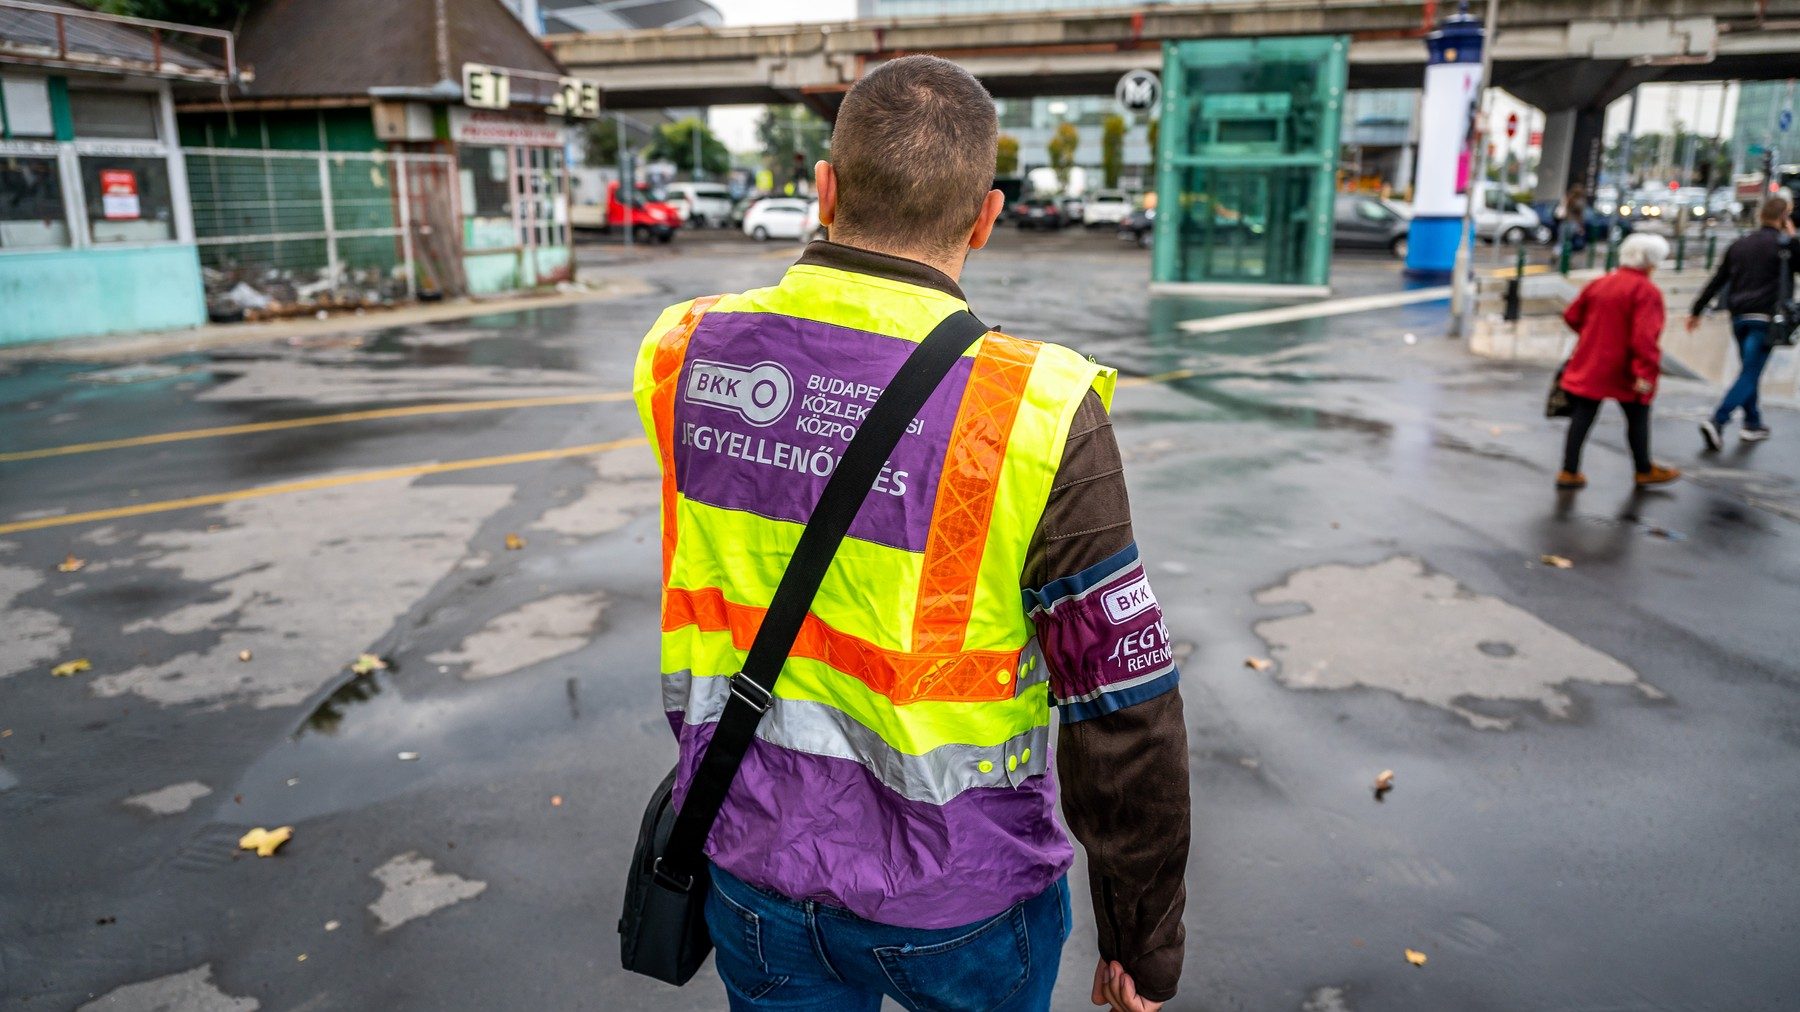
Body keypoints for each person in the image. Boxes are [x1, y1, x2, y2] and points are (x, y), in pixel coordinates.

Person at [631, 56, 1189, 1012]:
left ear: (824, 189)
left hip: (751, 862)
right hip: (964, 899)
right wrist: (1142, 933)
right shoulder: (1036, 409)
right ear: (986, 215)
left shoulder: (683, 350)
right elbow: (1123, 706)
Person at [1554, 232, 1681, 490]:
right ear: (1650, 262)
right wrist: (1645, 372)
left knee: (1583, 416)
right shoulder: (1646, 291)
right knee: (1637, 416)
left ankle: (1569, 470)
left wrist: (1592, 334)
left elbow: (1572, 315)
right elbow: (1644, 337)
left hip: (1591, 361)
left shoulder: (1599, 283)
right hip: (1625, 367)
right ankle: (1643, 469)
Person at [1686, 196, 1799, 449]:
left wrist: (1696, 310)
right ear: (1783, 217)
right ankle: (1718, 420)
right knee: (1750, 373)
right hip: (1766, 318)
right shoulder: (1784, 246)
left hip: (1738, 317)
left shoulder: (1740, 244)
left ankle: (1753, 422)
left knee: (1749, 370)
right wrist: (1792, 238)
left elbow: (1718, 279)